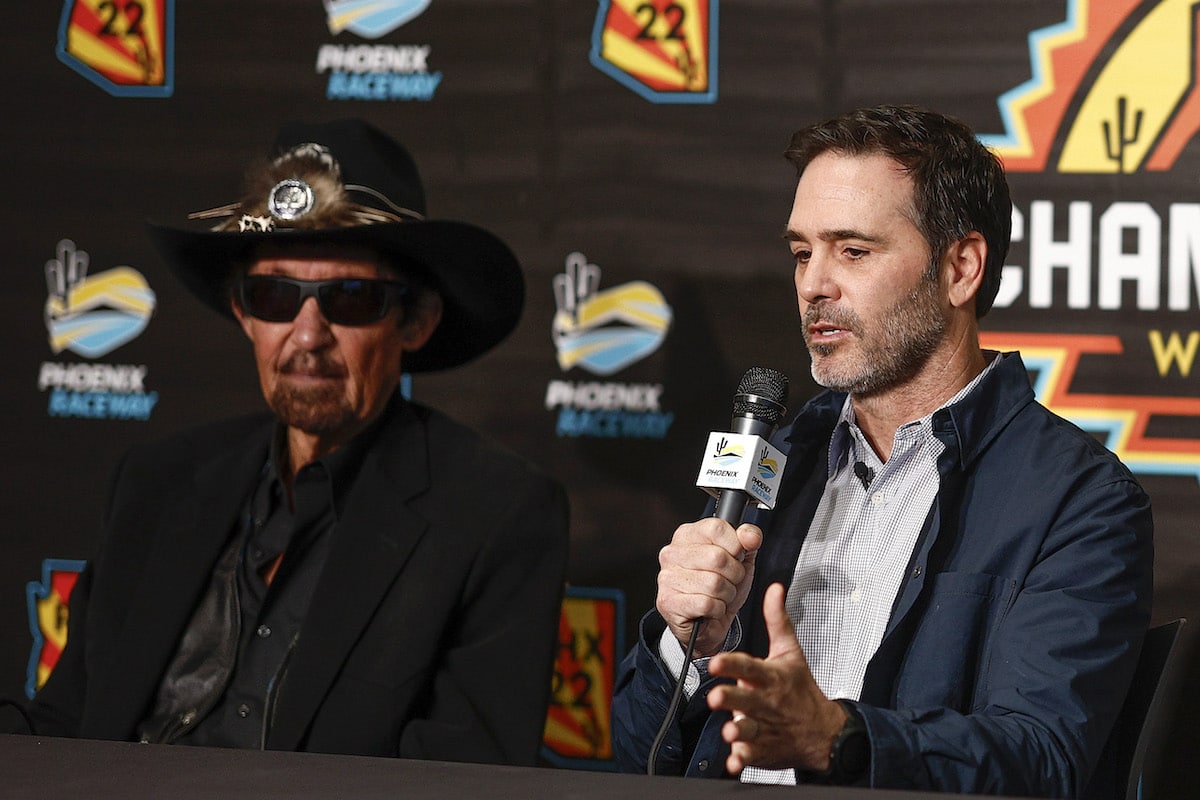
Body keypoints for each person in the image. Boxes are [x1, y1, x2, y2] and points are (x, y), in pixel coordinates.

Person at [611, 105, 1153, 796]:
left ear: (961, 268)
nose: (813, 284)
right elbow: (636, 764)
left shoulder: (1080, 501)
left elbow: (1040, 760)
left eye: (853, 251)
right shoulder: (776, 463)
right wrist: (686, 646)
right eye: (802, 253)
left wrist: (836, 739)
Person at [5, 119, 570, 765]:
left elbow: (463, 780)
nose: (307, 334)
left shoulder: (495, 514)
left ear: (415, 322)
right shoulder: (157, 481)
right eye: (275, 294)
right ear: (244, 313)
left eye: (350, 297)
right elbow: (65, 722)